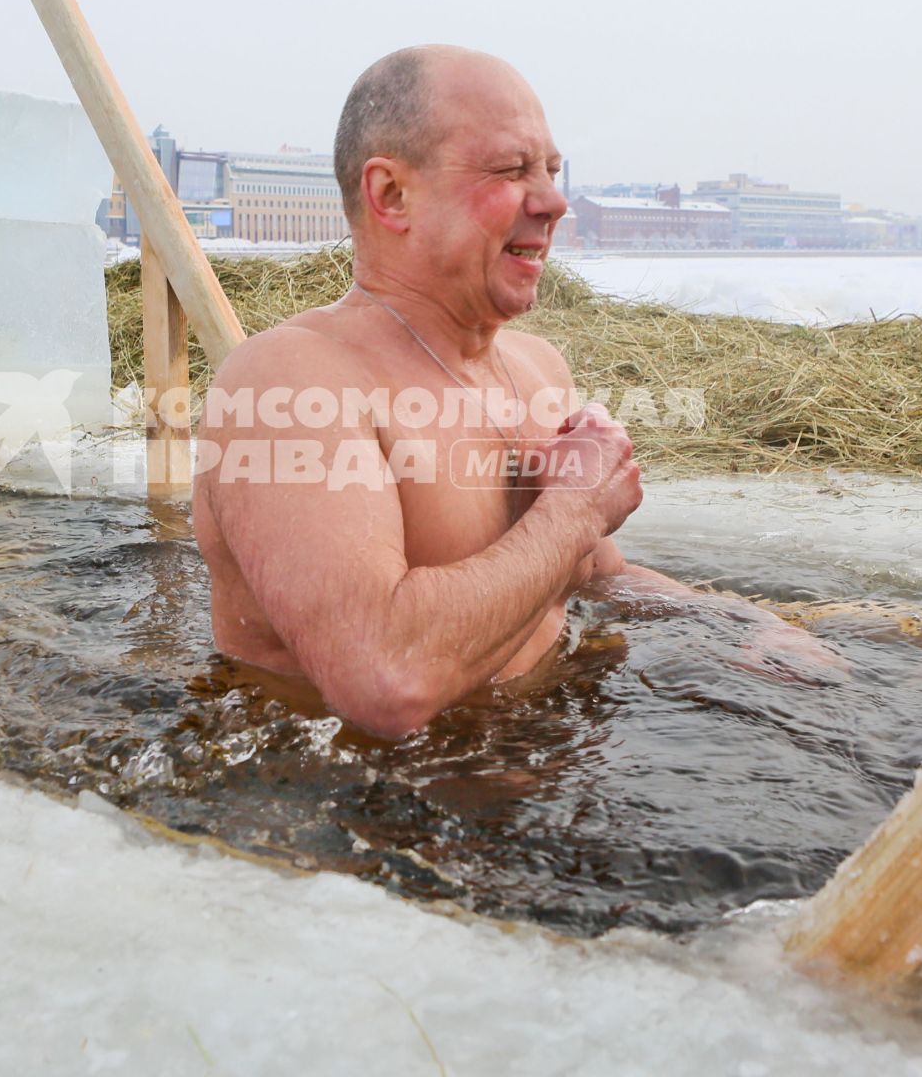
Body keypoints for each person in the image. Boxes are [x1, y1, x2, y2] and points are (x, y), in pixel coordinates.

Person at [192, 45, 836, 738]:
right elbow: (384, 680)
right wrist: (575, 510)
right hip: (352, 812)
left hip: (536, 756)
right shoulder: (293, 379)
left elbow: (587, 571)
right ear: (391, 195)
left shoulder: (534, 368)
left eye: (552, 171)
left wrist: (744, 622)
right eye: (510, 170)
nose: (555, 202)